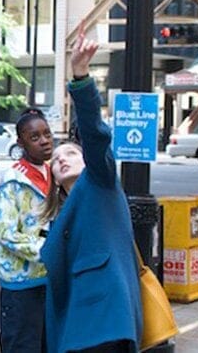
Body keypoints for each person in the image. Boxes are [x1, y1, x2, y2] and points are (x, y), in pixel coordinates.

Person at [41, 38, 142, 352]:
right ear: (54, 181)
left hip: (104, 316)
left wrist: (81, 77)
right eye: (56, 159)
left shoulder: (99, 181)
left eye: (70, 152)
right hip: (77, 320)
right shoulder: (62, 215)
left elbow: (96, 135)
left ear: (86, 160)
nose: (61, 158)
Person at [0, 107, 54, 352]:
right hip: (21, 282)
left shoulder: (54, 173)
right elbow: (5, 233)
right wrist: (47, 250)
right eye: (35, 137)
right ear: (21, 142)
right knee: (22, 345)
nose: (44, 141)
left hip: (50, 279)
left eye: (47, 134)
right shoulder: (13, 180)